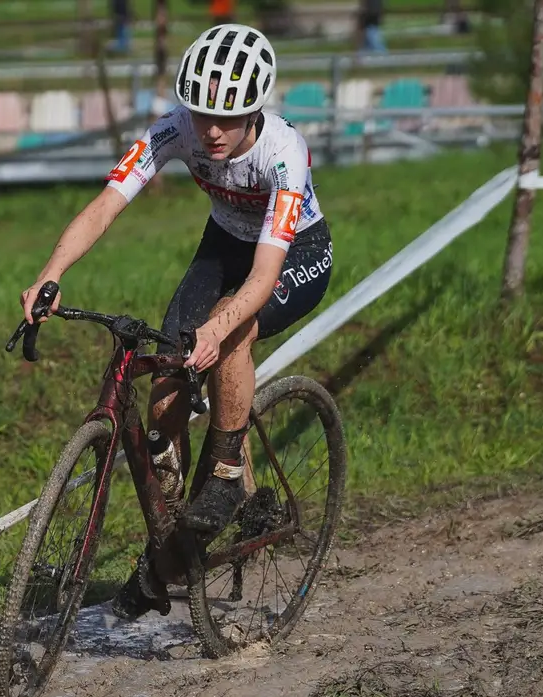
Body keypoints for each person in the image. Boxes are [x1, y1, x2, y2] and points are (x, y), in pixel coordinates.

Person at [18, 23, 333, 620]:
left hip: (294, 253)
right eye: (202, 114)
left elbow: (265, 273)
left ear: (255, 110)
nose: (211, 130)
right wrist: (50, 274)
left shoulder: (284, 152)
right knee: (166, 386)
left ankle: (227, 470)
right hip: (224, 245)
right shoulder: (174, 128)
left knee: (227, 328)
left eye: (227, 118)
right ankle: (170, 545)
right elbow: (106, 204)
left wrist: (219, 328)